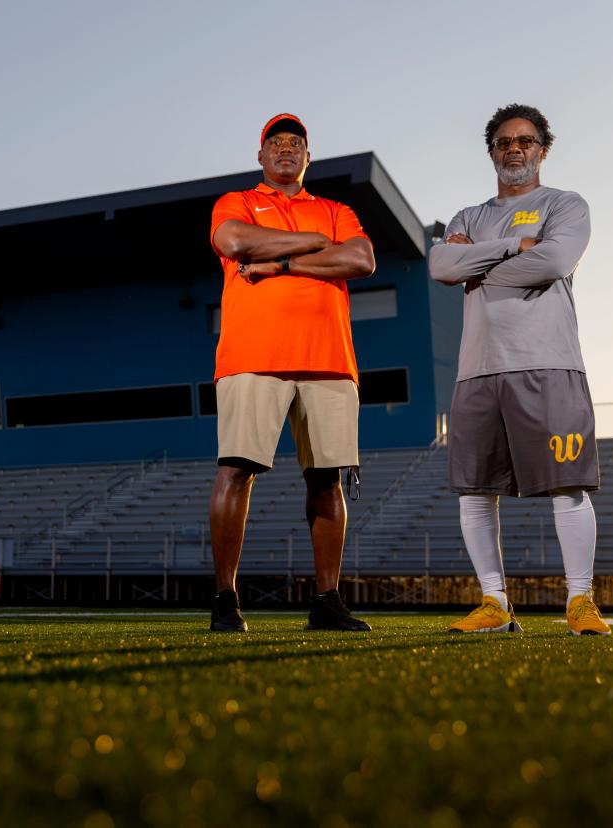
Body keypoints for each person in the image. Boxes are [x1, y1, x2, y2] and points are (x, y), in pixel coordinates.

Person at [429, 103, 611, 636]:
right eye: (505, 142)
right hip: (478, 370)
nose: (515, 149)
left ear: (542, 149)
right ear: (491, 151)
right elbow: (441, 266)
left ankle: (580, 601)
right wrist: (511, 247)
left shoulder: (565, 205)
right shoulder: (468, 216)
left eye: (525, 141)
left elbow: (553, 263)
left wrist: (479, 267)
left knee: (567, 486)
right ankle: (494, 602)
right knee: (475, 491)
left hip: (549, 363)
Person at [207, 113, 375, 632]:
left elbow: (363, 258)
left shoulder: (335, 209)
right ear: (260, 156)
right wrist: (315, 243)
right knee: (236, 470)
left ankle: (327, 601)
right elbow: (235, 242)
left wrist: (278, 262)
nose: (286, 148)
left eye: (295, 143)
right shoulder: (236, 202)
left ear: (308, 156)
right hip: (253, 355)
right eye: (275, 142)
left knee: (328, 481)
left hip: (328, 359)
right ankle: (225, 600)